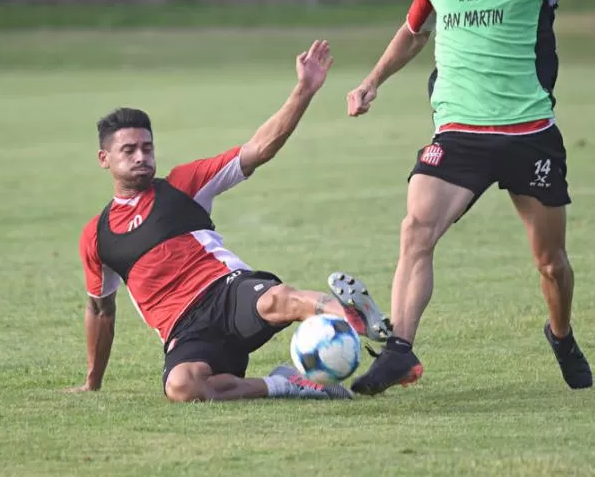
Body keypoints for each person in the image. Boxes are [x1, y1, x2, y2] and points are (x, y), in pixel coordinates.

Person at [345, 0, 595, 395]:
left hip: (529, 136)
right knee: (417, 229)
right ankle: (400, 352)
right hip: (460, 134)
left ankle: (561, 334)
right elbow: (414, 32)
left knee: (551, 264)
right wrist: (372, 81)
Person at [67, 40, 393, 402]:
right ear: (104, 159)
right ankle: (286, 384)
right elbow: (100, 309)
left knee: (278, 300)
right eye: (128, 150)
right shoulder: (97, 236)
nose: (141, 156)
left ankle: (355, 317)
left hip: (226, 291)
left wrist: (303, 90)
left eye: (147, 147)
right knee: (182, 387)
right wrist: (92, 381)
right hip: (185, 330)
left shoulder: (182, 185)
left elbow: (258, 149)